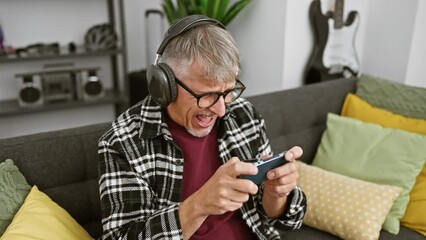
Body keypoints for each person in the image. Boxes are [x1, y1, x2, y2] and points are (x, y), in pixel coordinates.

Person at [98, 15, 306, 240]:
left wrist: (277, 194)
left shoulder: (243, 113)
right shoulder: (122, 142)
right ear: (165, 85)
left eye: (227, 93)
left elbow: (281, 221)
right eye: (207, 96)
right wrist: (200, 204)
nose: (221, 111)